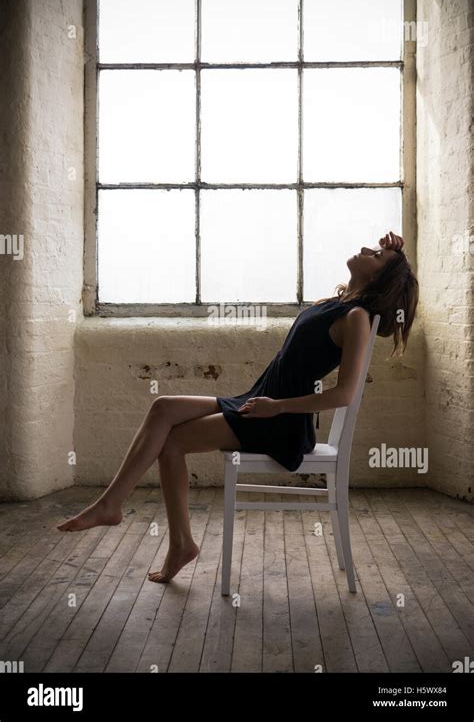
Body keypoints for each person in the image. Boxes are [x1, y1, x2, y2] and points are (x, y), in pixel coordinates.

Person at [57, 231, 419, 584]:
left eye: (375, 255)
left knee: (172, 441)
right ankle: (123, 511)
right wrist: (391, 249)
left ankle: (167, 538)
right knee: (162, 407)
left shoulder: (355, 318)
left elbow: (344, 395)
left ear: (378, 277)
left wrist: (276, 408)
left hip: (280, 423)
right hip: (259, 401)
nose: (365, 249)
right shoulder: (338, 303)